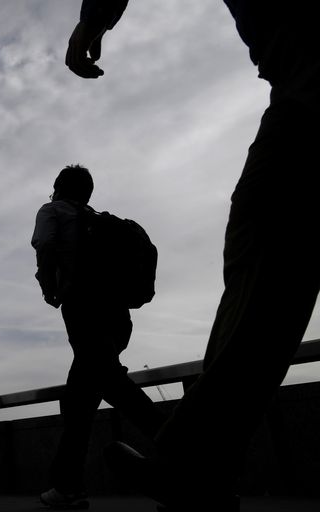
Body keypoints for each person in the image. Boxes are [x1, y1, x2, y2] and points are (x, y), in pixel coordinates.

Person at [65, 2, 320, 511]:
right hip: (300, 87)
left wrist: (93, 19)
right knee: (268, 259)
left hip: (309, 91)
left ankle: (194, 462)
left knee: (263, 249)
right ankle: (197, 461)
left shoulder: (63, 218)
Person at [31, 165, 165, 509]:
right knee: (80, 399)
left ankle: (189, 449)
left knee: (110, 384)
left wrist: (50, 287)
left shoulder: (53, 211)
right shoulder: (102, 223)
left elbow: (45, 243)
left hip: (84, 311)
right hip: (118, 317)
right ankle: (67, 486)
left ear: (57, 189)